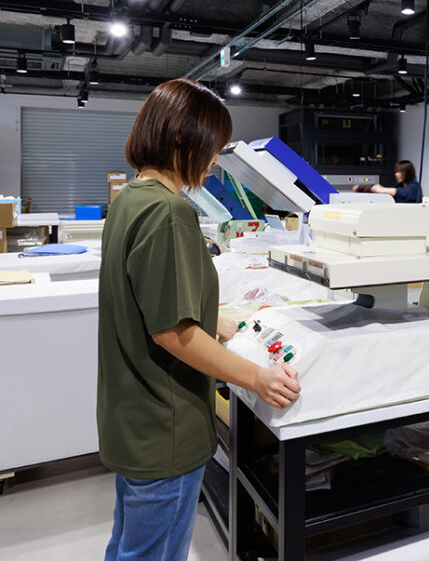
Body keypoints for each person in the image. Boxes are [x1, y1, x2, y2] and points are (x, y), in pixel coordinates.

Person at [98, 78, 301, 560]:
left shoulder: (130, 198)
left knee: (128, 546)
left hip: (131, 418)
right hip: (165, 427)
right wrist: (259, 377)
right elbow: (173, 333)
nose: (214, 160)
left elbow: (146, 304)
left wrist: (214, 324)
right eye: (212, 146)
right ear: (179, 139)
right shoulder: (168, 212)